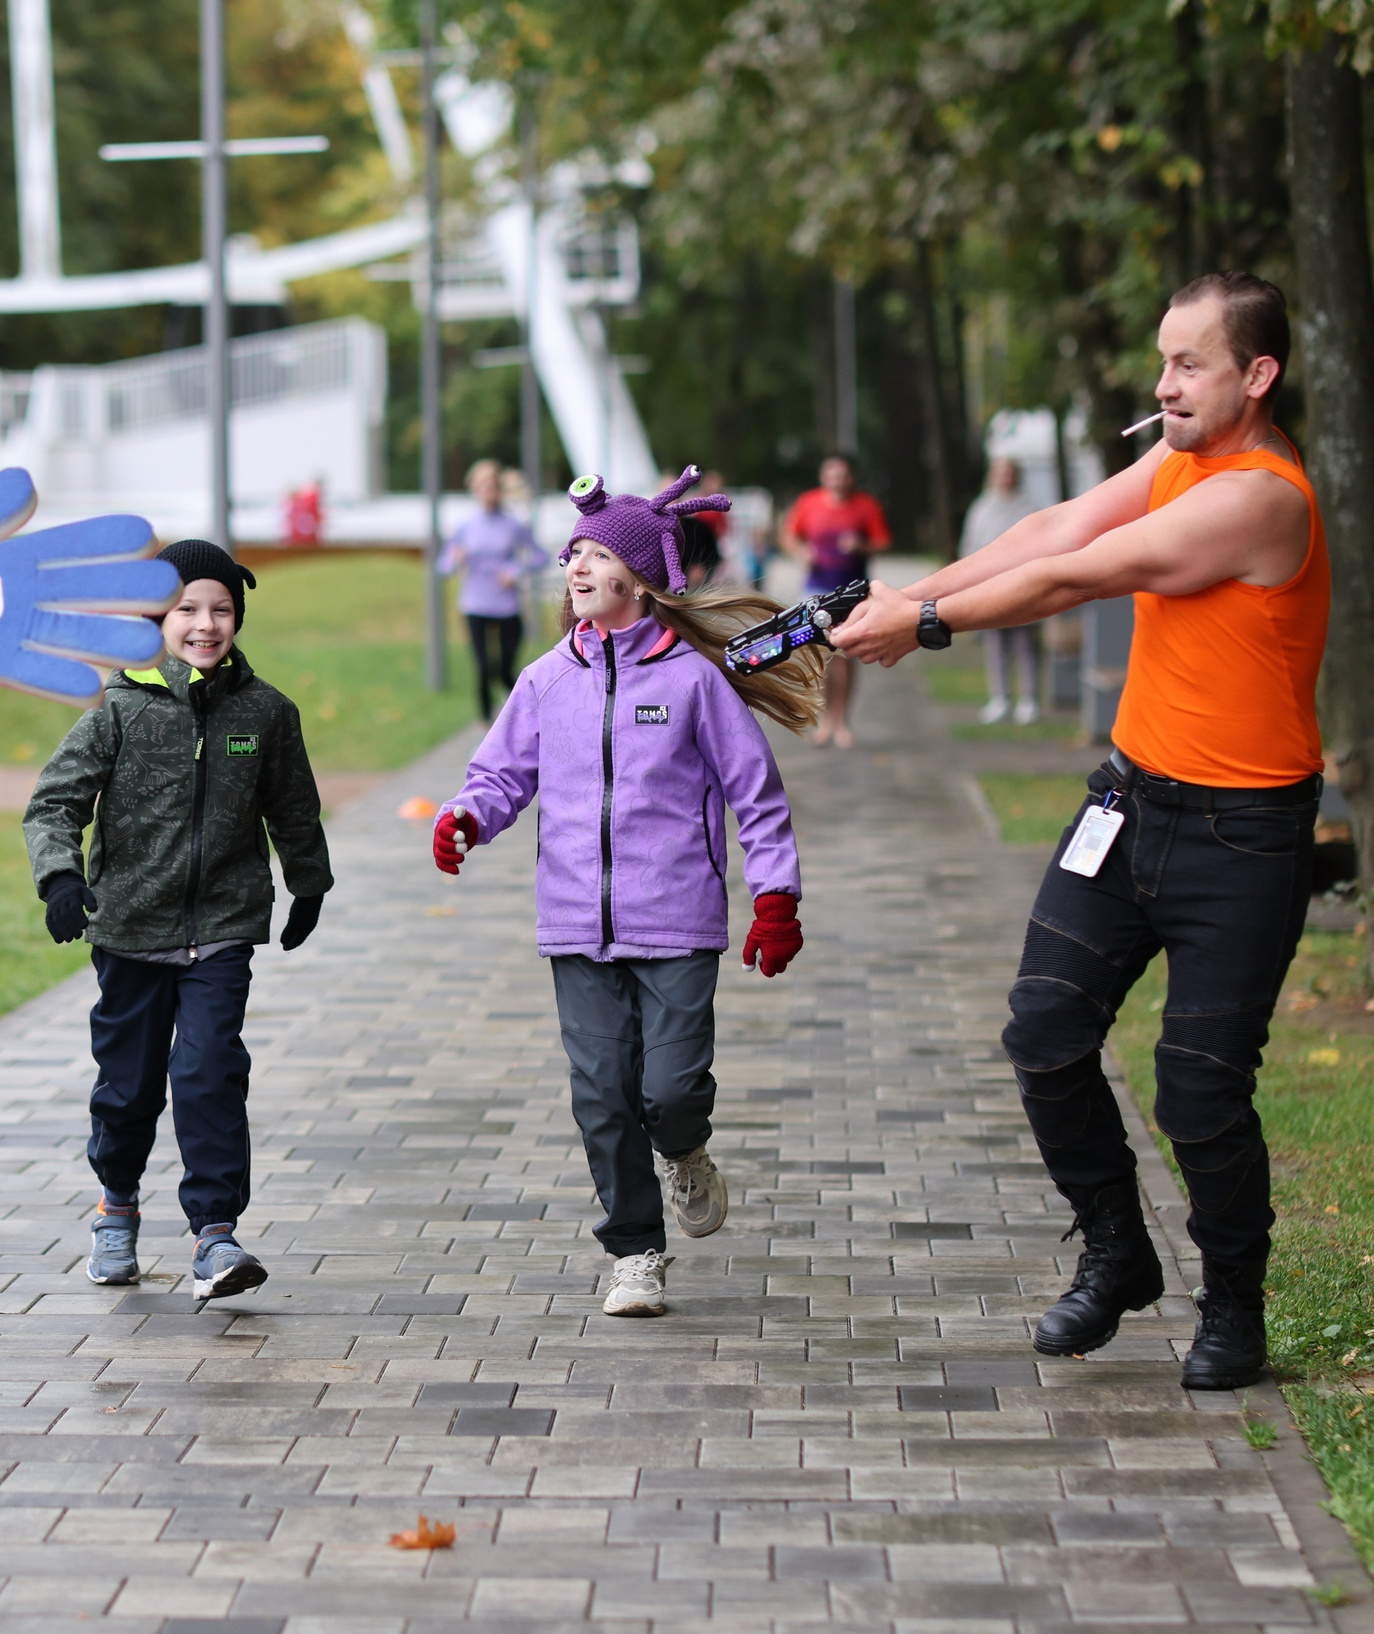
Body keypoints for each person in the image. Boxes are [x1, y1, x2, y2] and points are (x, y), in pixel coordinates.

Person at [828, 272, 1323, 1391]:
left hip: (1242, 835)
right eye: (1161, 361)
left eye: (1188, 363)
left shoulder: (1261, 496)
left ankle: (1234, 1305)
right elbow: (1053, 525)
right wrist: (900, 598)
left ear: (1257, 374)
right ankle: (1118, 1251)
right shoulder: (1180, 458)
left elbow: (1084, 571)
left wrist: (930, 623)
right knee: (1044, 1034)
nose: (1163, 384)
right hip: (1131, 801)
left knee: (1198, 1088)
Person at [432, 468, 818, 1318]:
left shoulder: (691, 681)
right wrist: (467, 817)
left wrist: (775, 898)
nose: (576, 567)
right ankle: (636, 1252)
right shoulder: (544, 680)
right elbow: (501, 773)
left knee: (669, 1092)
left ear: (641, 579)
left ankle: (685, 1151)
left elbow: (755, 794)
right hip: (575, 922)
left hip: (676, 922)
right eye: (573, 552)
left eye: (599, 554)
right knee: (601, 1096)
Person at [24, 539, 333, 1303]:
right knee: (128, 1089)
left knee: (209, 1073)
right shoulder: (119, 710)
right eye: (187, 609)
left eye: (221, 609)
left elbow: (293, 808)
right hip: (130, 929)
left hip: (223, 928)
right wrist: (60, 874)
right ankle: (117, 1207)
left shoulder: (265, 712)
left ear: (238, 616)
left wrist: (309, 884)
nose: (205, 623)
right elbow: (55, 801)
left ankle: (215, 1234)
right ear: (156, 617)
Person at [783, 452, 892, 748]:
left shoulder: (865, 505)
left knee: (845, 656)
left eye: (842, 475)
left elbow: (883, 542)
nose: (837, 481)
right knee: (820, 656)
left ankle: (842, 720)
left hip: (851, 592)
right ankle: (824, 722)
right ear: (823, 477)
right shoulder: (808, 503)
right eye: (832, 475)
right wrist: (802, 553)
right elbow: (790, 537)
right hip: (816, 590)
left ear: (851, 478)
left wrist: (861, 545)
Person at [442, 459, 544, 719]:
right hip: (475, 603)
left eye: (493, 485)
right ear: (474, 489)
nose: (489, 490)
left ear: (499, 489)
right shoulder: (465, 527)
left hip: (506, 605)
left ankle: (521, 718)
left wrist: (515, 571)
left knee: (507, 669)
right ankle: (486, 725)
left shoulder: (513, 524)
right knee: (484, 668)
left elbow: (539, 557)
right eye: (483, 485)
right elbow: (443, 566)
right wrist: (455, 559)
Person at [957, 456, 1055, 725]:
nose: (1005, 478)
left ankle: (1029, 698)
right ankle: (999, 698)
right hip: (990, 587)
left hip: (1023, 585)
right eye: (1000, 473)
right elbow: (970, 546)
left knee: (1026, 644)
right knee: (996, 644)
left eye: (1009, 472)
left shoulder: (1029, 507)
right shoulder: (982, 508)